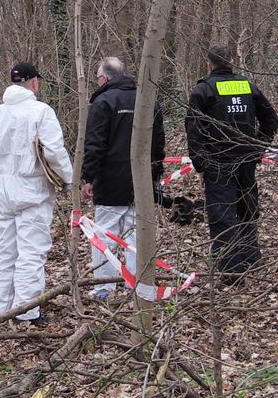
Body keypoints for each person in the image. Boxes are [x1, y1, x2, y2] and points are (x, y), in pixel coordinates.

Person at [0, 62, 73, 322]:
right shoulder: (40, 112)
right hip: (32, 188)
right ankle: (27, 312)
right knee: (31, 251)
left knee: (4, 253)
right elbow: (53, 150)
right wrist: (68, 179)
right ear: (33, 83)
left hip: (2, 189)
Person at [185, 46, 278, 284]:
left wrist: (201, 161)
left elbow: (193, 130)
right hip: (245, 160)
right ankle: (250, 258)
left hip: (220, 162)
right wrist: (258, 146)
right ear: (232, 61)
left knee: (223, 214)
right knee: (247, 208)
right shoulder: (247, 86)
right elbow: (270, 119)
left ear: (209, 64)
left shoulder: (203, 90)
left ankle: (232, 272)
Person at [81, 57, 166, 298]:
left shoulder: (103, 101)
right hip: (141, 180)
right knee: (135, 235)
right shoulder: (147, 100)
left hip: (109, 179)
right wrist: (155, 173)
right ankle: (137, 286)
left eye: (98, 78)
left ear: (105, 78)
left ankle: (103, 288)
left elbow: (95, 143)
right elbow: (159, 141)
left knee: (104, 235)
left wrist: (89, 177)